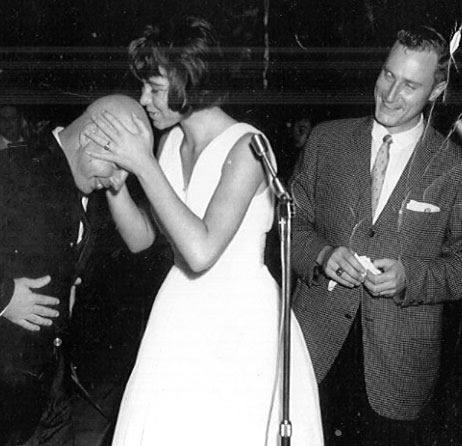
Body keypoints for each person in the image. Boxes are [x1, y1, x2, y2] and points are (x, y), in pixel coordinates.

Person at [86, 15, 324, 446]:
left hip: (237, 320)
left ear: (189, 82)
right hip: (179, 310)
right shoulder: (171, 141)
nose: (144, 99)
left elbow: (201, 250)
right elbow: (143, 238)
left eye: (155, 89)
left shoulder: (249, 148)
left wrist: (141, 163)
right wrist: (118, 189)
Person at [289, 25, 462, 445]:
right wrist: (322, 253)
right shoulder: (325, 142)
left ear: (437, 91)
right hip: (313, 354)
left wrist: (410, 277)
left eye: (409, 85)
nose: (390, 94)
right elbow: (285, 227)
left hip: (398, 370)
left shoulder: (453, 167)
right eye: (387, 75)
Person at [0, 94, 150, 445]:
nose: (117, 181)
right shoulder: (15, 169)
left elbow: (140, 240)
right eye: (116, 166)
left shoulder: (82, 184)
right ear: (89, 137)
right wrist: (4, 296)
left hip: (47, 391)